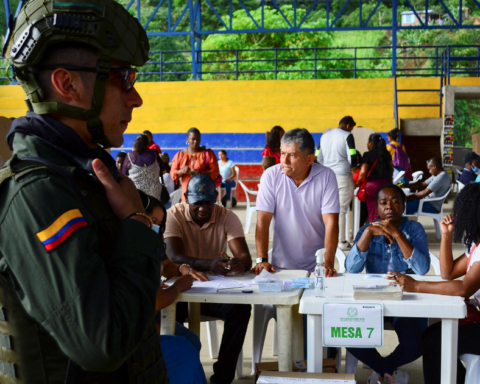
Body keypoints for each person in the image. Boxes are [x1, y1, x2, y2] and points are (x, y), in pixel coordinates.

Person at [1, 0, 168, 381]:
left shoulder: (85, 177)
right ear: (67, 84)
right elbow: (101, 344)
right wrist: (135, 223)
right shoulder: (36, 194)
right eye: (123, 78)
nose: (136, 97)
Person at [164, 174, 252, 384]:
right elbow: (174, 256)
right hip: (180, 290)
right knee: (167, 318)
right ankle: (175, 376)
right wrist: (210, 264)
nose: (203, 208)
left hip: (212, 291)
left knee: (240, 309)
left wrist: (240, 263)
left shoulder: (226, 215)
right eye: (198, 203)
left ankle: (222, 378)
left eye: (208, 203)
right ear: (185, 198)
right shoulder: (172, 215)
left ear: (216, 199)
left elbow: (245, 257)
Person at [389, 182, 480, 384]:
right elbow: (448, 273)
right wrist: (446, 234)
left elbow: (464, 287)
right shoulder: (476, 245)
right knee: (432, 336)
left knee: (434, 341)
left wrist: (416, 286)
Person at [345, 184, 430, 384]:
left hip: (405, 298)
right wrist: (366, 234)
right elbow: (352, 269)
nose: (389, 206)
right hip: (372, 297)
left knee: (416, 343)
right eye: (383, 203)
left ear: (403, 206)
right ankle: (387, 371)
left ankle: (381, 370)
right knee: (345, 332)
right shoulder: (369, 228)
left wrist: (398, 235)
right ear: (377, 208)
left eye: (395, 202)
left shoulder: (414, 229)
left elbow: (422, 269)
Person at [139, 192, 208, 384]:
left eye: (159, 223)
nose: (155, 226)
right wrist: (178, 285)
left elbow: (167, 266)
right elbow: (158, 299)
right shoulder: (131, 247)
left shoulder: (151, 242)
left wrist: (181, 268)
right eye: (152, 220)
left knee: (192, 340)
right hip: (139, 321)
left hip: (150, 315)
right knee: (184, 348)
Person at [253, 128, 340, 276]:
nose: (284, 161)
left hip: (317, 269)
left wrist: (327, 263)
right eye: (282, 154)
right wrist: (262, 260)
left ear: (310, 159)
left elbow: (331, 222)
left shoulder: (326, 176)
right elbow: (263, 221)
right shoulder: (270, 176)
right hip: (279, 268)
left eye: (292, 155)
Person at [317, 116, 358, 249]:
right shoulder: (348, 136)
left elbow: (318, 157)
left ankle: (326, 239)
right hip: (343, 176)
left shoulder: (324, 136)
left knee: (328, 208)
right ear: (348, 125)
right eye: (351, 128)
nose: (351, 130)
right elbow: (353, 157)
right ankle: (340, 241)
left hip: (327, 176)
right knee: (340, 210)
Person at [170, 127, 220, 202]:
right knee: (187, 211)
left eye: (198, 139)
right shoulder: (180, 155)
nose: (196, 141)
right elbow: (172, 174)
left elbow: (216, 171)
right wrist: (182, 171)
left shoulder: (208, 154)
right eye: (193, 139)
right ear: (187, 139)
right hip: (187, 193)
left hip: (204, 192)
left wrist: (202, 173)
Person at [356, 133, 393, 223]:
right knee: (386, 208)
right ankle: (386, 230)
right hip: (387, 185)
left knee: (373, 209)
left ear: (371, 143)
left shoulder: (368, 154)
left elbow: (363, 171)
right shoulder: (387, 154)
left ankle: (375, 230)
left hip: (373, 186)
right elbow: (391, 168)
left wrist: (356, 182)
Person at [123, 134, 165, 202]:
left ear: (135, 143)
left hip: (136, 193)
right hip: (154, 193)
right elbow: (164, 171)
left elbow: (125, 175)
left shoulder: (130, 156)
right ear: (148, 144)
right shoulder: (154, 153)